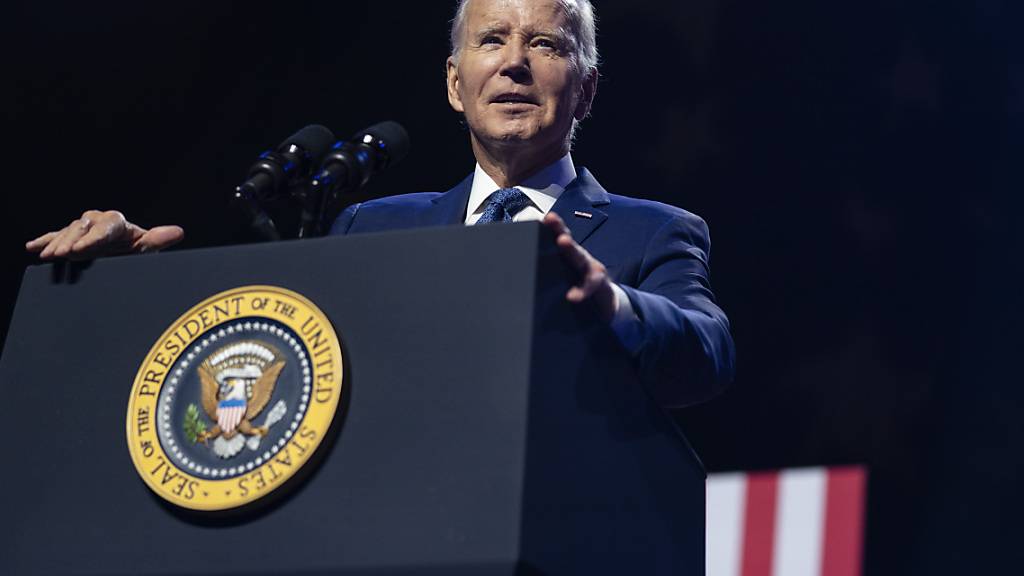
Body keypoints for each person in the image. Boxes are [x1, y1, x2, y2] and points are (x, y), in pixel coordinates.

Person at [26, 0, 734, 408]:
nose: (514, 62)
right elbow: (275, 348)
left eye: (545, 43)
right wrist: (136, 276)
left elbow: (708, 353)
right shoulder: (373, 224)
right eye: (491, 40)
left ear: (586, 89)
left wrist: (612, 303)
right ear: (455, 84)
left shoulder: (652, 232)